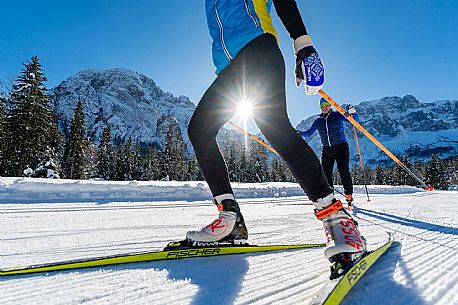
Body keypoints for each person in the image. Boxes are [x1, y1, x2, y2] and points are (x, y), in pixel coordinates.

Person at [175, 0, 366, 276]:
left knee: (273, 126)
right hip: (230, 68)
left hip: (258, 47)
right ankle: (230, 218)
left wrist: (303, 44)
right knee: (200, 130)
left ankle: (337, 219)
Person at [299, 98, 359, 204]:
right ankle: (329, 196)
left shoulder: (337, 115)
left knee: (343, 170)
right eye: (322, 106)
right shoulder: (318, 121)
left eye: (326, 104)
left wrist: (353, 113)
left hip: (341, 147)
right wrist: (299, 133)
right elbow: (308, 133)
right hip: (327, 150)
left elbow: (354, 121)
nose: (324, 107)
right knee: (326, 173)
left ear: (330, 105)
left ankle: (349, 194)